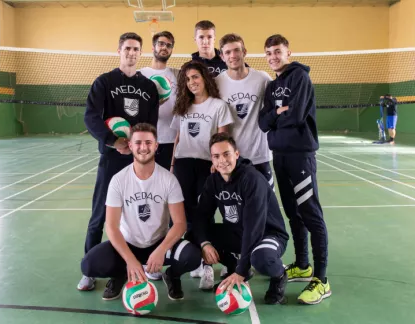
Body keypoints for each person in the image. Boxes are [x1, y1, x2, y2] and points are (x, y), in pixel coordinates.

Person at [80, 123, 202, 301]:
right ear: (130, 145)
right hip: (128, 244)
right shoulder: (118, 180)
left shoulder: (169, 180)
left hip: (159, 243)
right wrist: (130, 260)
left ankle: (172, 276)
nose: (143, 147)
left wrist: (161, 250)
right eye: (138, 143)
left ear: (156, 146)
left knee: (192, 256)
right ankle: (120, 275)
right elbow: (112, 227)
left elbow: (180, 223)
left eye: (148, 142)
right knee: (89, 265)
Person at [79, 32, 159, 291]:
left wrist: (139, 148)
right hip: (112, 160)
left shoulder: (148, 87)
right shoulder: (104, 82)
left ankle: (130, 267)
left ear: (140, 53)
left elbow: (151, 125)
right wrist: (114, 142)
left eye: (136, 49)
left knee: (136, 216)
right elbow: (91, 117)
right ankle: (89, 269)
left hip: (138, 162)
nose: (131, 53)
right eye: (127, 48)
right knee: (100, 215)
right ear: (119, 51)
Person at [259, 34, 331, 305]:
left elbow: (297, 115)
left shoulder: (300, 78)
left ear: (288, 52)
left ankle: (322, 280)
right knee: (293, 213)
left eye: (277, 51)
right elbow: (263, 123)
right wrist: (277, 115)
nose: (273, 57)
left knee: (311, 213)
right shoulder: (271, 86)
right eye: (268, 53)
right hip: (279, 155)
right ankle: (302, 265)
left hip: (300, 155)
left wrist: (277, 117)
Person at [188, 132, 290, 304]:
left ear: (236, 154)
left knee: (260, 258)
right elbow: (201, 217)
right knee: (193, 236)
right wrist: (205, 244)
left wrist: (241, 272)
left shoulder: (252, 179)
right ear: (212, 159)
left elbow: (254, 228)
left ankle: (279, 275)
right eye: (216, 156)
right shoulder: (213, 181)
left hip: (268, 234)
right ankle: (233, 265)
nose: (222, 160)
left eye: (226, 154)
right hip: (239, 232)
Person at [170, 60, 234, 290]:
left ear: (205, 78)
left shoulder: (218, 106)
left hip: (207, 165)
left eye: (195, 77)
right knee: (184, 214)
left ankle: (211, 265)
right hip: (184, 164)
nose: (192, 82)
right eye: (187, 79)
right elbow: (178, 138)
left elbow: (222, 138)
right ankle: (196, 260)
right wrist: (172, 165)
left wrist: (217, 164)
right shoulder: (183, 106)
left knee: (205, 214)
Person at [215, 33, 274, 188]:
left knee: (267, 205)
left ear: (244, 52)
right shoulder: (216, 83)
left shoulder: (263, 79)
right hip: (232, 159)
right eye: (227, 52)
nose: (233, 55)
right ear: (222, 56)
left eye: (236, 50)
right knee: (240, 206)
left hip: (260, 155)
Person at [140, 31, 179, 171]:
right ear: (153, 47)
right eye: (161, 44)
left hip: (171, 140)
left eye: (169, 45)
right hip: (147, 138)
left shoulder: (177, 74)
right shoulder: (140, 74)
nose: (164, 47)